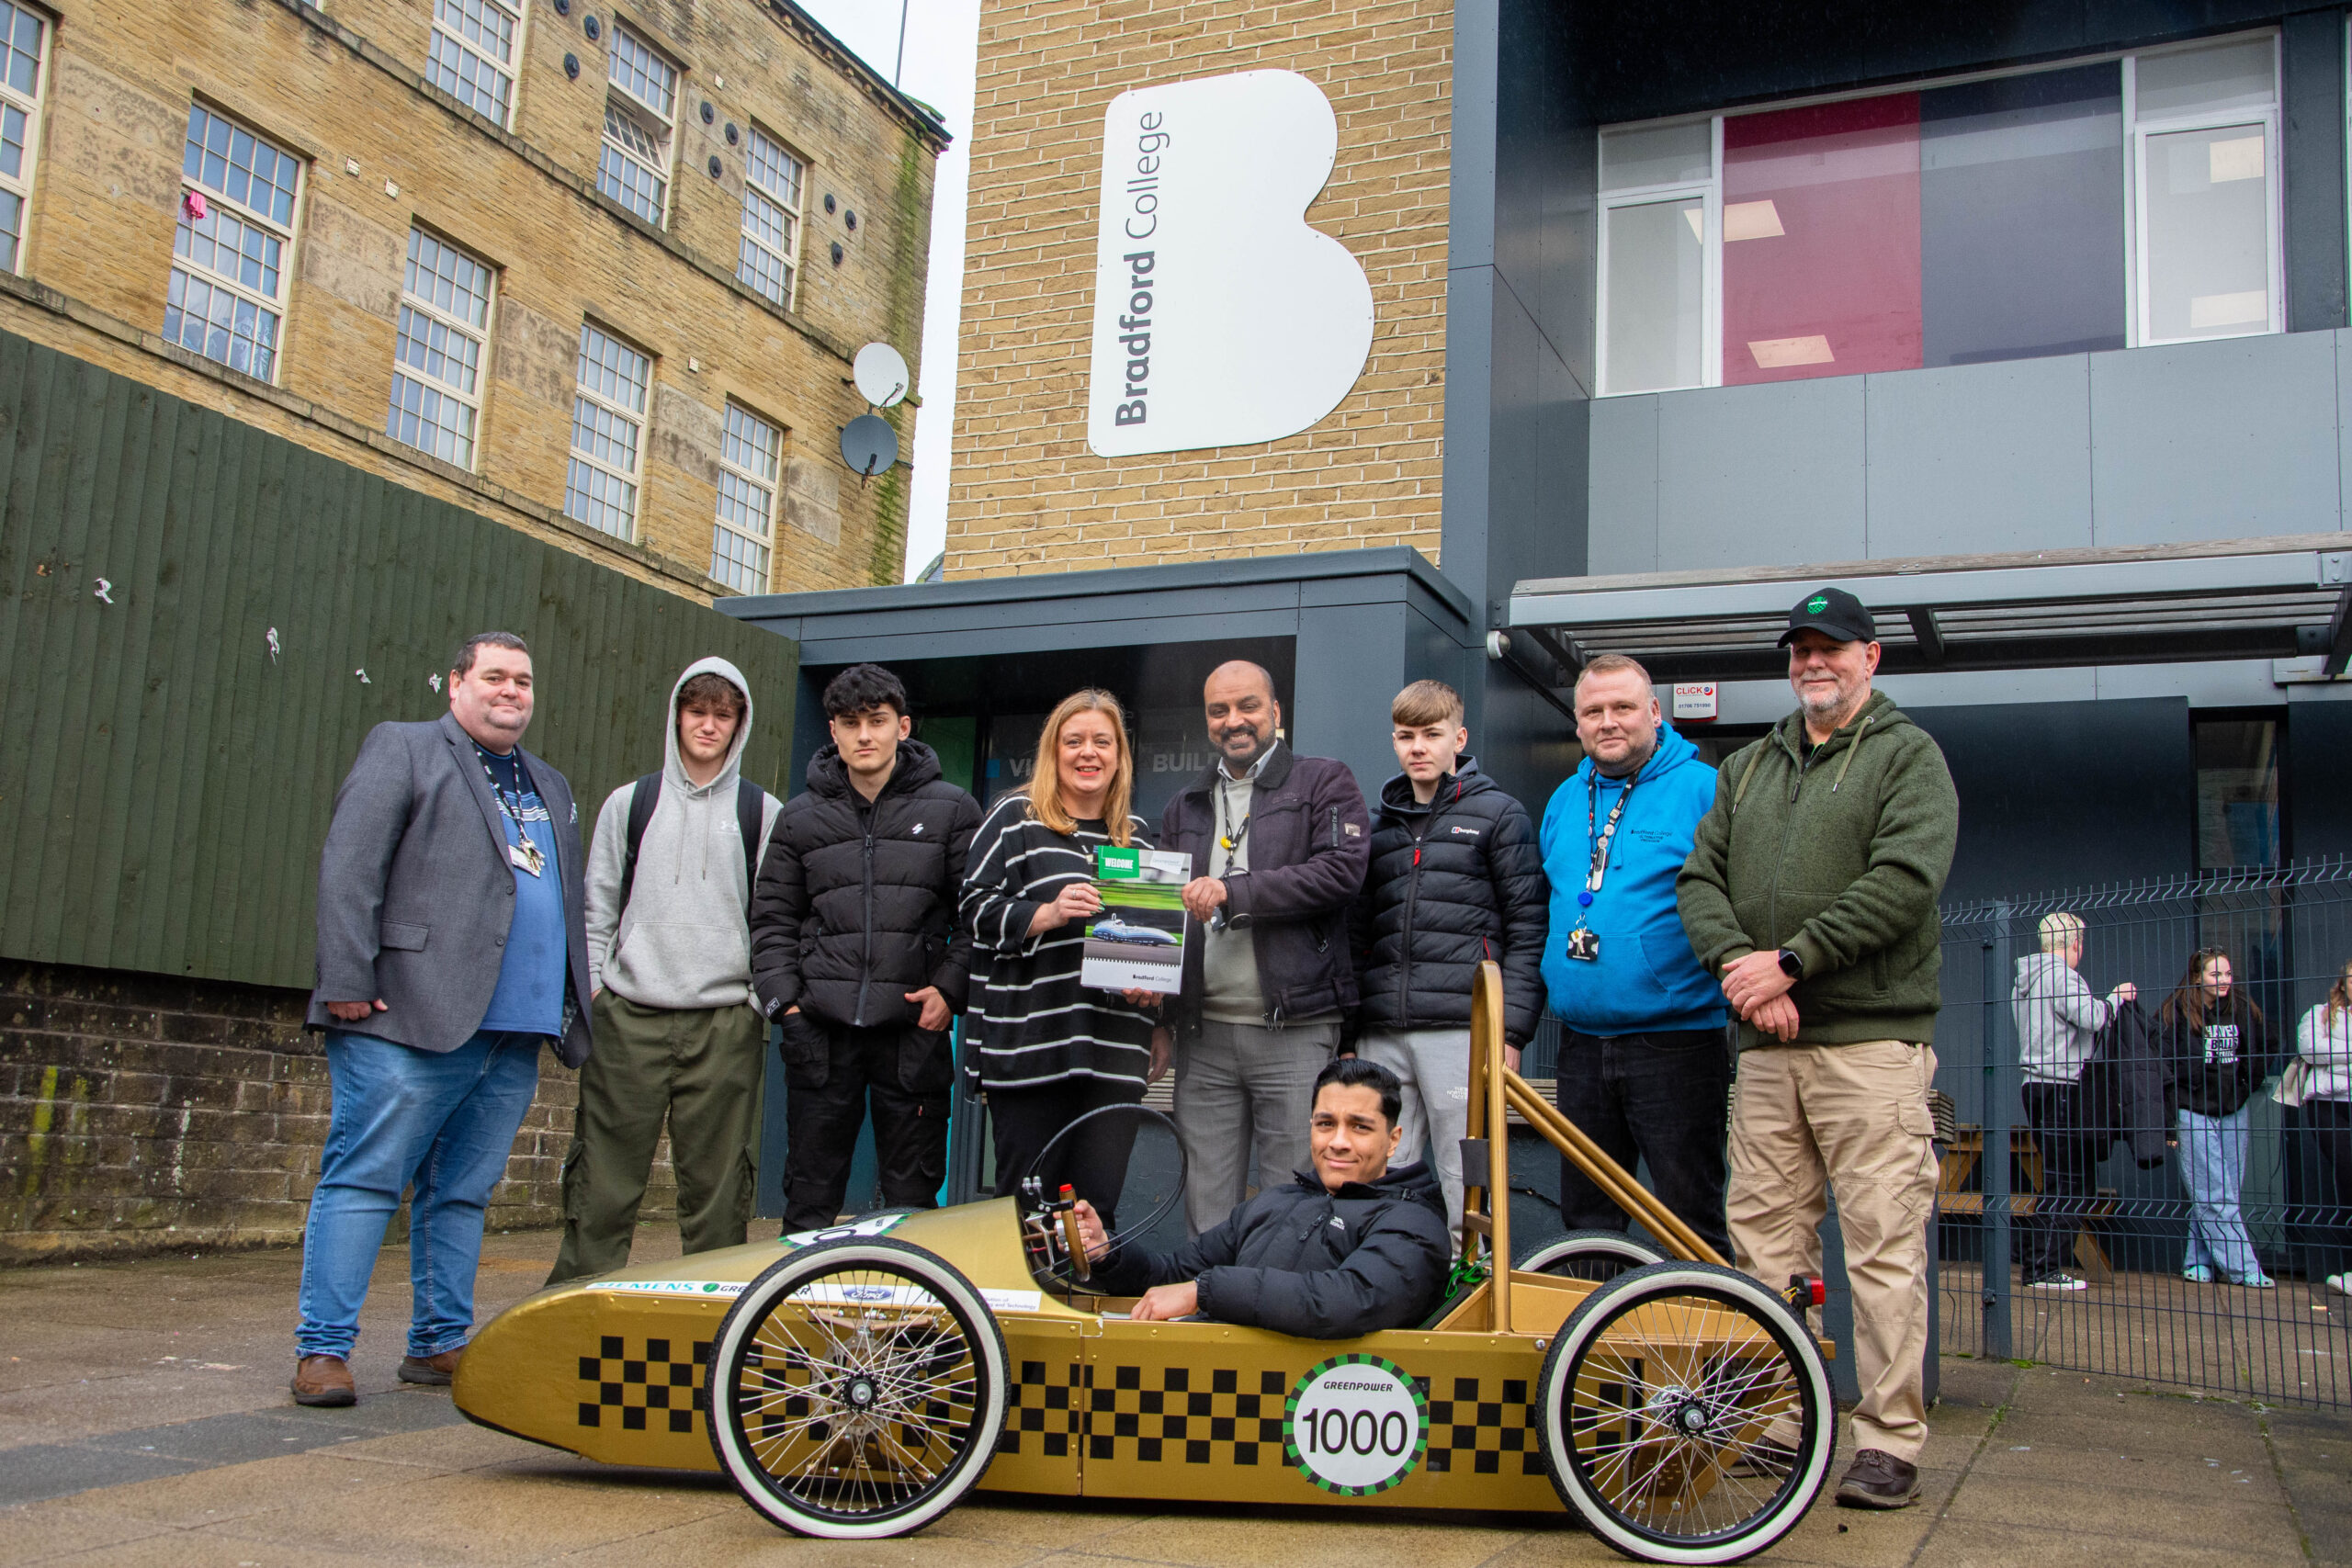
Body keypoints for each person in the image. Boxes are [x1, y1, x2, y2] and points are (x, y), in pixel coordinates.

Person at [1677, 586, 1958, 1511]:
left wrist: (1793, 963)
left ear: (1871, 658)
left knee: (1881, 1247)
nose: (1812, 663)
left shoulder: (1908, 757)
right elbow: (1697, 876)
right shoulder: (1750, 766)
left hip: (1869, 1048)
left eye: (1830, 648)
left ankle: (1888, 1442)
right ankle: (1775, 1421)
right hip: (1764, 1048)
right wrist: (1739, 968)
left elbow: (1904, 884)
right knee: (1765, 1245)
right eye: (1799, 650)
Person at [296, 632, 594, 1407]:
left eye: (524, 681)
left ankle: (438, 1343)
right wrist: (346, 977)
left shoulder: (551, 784)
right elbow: (350, 862)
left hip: (515, 1031)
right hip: (405, 1017)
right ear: (457, 683)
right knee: (364, 1177)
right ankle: (323, 1349)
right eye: (494, 676)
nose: (511, 691)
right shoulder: (405, 748)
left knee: (461, 1192)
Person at [547, 660, 783, 1284]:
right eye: (697, 711)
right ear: (678, 715)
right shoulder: (631, 802)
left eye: (722, 714)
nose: (708, 725)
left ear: (740, 724)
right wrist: (597, 987)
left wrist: (756, 1000)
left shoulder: (764, 812)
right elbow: (596, 904)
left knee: (717, 1186)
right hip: (629, 1017)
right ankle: (576, 1306)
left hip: (724, 1023)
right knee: (603, 1178)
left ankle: (714, 1317)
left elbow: (776, 918)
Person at [750, 664, 979, 1233]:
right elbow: (772, 920)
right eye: (850, 724)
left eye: (877, 722)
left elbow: (977, 916)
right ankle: (799, 1318)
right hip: (820, 1036)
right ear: (833, 731)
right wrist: (788, 1006)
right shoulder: (799, 817)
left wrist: (950, 992)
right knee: (808, 1201)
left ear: (903, 726)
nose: (864, 736)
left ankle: (907, 1321)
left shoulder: (952, 810)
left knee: (912, 1206)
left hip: (913, 1034)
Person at [1161, 660, 1372, 1236]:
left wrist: (1234, 891)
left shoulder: (1324, 780)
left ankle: (1274, 1313)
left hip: (1295, 1029)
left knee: (1293, 1202)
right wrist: (1153, 1001)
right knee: (1206, 1207)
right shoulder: (1187, 804)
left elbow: (1340, 874)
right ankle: (1209, 1312)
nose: (1234, 721)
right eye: (1219, 711)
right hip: (1202, 1037)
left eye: (1248, 706)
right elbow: (1160, 913)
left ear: (1276, 713)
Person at [1541, 653, 1732, 1259]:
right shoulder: (1565, 799)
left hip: (1676, 1042)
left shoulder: (1706, 789)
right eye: (1593, 711)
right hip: (1580, 1043)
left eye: (1623, 707)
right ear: (1577, 724)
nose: (1608, 721)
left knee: (1687, 1213)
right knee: (1587, 1219)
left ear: (1654, 712)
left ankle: (1700, 1354)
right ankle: (1601, 1356)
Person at [960, 690, 1170, 1226]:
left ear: (1120, 755)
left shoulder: (1141, 841)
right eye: (1073, 741)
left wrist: (1155, 999)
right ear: (1053, 752)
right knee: (1026, 1212)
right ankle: (1018, 1310)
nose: (1088, 752)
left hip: (1116, 1052)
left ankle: (1081, 1304)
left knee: (1096, 1213)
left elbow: (1154, 946)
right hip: (1031, 1049)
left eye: (1102, 741)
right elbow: (972, 908)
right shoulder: (1015, 819)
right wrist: (1047, 913)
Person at [1350, 679, 1545, 1235]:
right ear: (1393, 742)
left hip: (1464, 1029)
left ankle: (1476, 1284)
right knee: (1380, 1169)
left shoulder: (1499, 814)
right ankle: (1390, 1274)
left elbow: (1529, 927)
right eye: (1406, 736)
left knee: (1468, 1172)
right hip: (1382, 1028)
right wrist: (1349, 1030)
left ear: (1457, 738)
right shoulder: (1378, 826)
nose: (1418, 747)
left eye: (1431, 734)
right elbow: (1357, 934)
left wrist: (1512, 1034)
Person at [1070, 1057, 1451, 1337]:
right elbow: (1172, 1274)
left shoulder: (1413, 1224)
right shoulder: (1276, 1201)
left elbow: (1344, 1301)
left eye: (1359, 1127)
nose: (1337, 1142)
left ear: (1393, 1140)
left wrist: (1205, 1292)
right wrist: (1108, 1253)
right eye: (1325, 1124)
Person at [2010, 911, 2137, 1292]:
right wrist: (2116, 999)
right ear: (2075, 944)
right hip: (2063, 1085)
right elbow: (2093, 1018)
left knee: (2060, 1178)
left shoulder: (2025, 981)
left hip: (2036, 1083)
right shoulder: (2062, 976)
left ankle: (2037, 1261)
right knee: (2069, 1182)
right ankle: (2043, 1269)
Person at [2157, 946, 2274, 1288]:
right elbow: (2161, 1069)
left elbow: (2263, 1046)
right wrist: (2169, 1119)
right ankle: (2245, 1269)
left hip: (2232, 1110)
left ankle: (2198, 1261)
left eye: (2227, 974)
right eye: (2215, 974)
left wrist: (2243, 1087)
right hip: (2192, 1111)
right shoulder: (2174, 1013)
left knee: (2221, 1193)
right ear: (2197, 977)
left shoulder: (2240, 1008)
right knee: (2212, 1193)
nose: (2223, 981)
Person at [2292, 960, 2352, 1298]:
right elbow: (2310, 1049)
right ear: (2342, 984)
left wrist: (2336, 1057)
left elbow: (2325, 1053)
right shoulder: (2319, 1013)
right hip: (2328, 1107)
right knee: (2347, 1176)